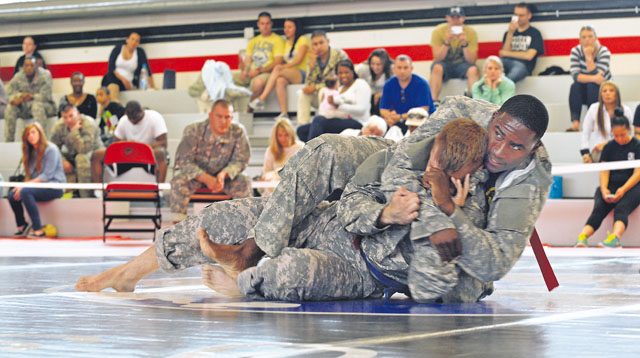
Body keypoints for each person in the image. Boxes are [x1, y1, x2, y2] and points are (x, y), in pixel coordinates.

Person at [76, 94, 552, 304]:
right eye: (498, 137)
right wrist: (423, 193)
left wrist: (446, 214)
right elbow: (398, 169)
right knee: (324, 151)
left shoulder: (528, 180)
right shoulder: (462, 115)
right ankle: (129, 274)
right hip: (387, 181)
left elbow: (491, 266)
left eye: (516, 147)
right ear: (490, 122)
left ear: (533, 149)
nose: (499, 152)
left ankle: (251, 269)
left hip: (380, 255)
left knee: (291, 273)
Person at [169, 99, 252, 223]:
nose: (223, 121)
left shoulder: (238, 131)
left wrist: (223, 175)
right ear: (210, 115)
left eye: (227, 117)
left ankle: (243, 226)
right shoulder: (194, 130)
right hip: (196, 177)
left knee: (244, 181)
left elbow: (241, 160)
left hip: (224, 179)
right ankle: (178, 228)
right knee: (178, 180)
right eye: (219, 116)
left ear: (232, 117)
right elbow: (183, 161)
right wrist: (206, 178)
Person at [575, 109, 640, 248]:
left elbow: (638, 173)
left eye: (622, 135)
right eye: (616, 136)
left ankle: (615, 238)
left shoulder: (637, 145)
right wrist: (604, 189)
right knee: (599, 208)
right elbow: (604, 171)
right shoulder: (609, 147)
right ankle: (582, 237)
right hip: (611, 186)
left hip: (632, 187)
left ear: (629, 130)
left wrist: (623, 189)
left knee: (621, 209)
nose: (620, 139)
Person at [8, 124, 64, 238]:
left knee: (25, 192)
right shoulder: (31, 152)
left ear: (40, 133)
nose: (31, 136)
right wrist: (23, 186)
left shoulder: (51, 149)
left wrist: (24, 186)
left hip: (54, 186)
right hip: (38, 187)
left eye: (33, 132)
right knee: (12, 194)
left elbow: (47, 176)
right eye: (28, 134)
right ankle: (22, 226)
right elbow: (31, 176)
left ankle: (38, 230)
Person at [90, 101, 168, 183]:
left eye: (135, 117)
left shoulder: (155, 117)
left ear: (141, 111)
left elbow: (163, 143)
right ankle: (98, 191)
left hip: (148, 152)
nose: (132, 120)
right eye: (129, 118)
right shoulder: (124, 120)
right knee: (96, 155)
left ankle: (159, 189)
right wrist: (128, 145)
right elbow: (115, 143)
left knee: (161, 153)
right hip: (128, 152)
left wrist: (140, 146)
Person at [297, 59, 371, 141]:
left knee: (319, 121)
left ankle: (312, 151)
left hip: (357, 121)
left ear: (352, 72)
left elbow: (362, 109)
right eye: (340, 73)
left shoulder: (361, 84)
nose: (343, 75)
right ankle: (320, 149)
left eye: (346, 72)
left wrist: (339, 106)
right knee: (301, 130)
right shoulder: (339, 88)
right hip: (337, 119)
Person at [249, 18, 309, 119]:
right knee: (280, 81)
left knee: (277, 69)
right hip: (290, 74)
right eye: (285, 27)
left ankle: (262, 98)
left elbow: (298, 60)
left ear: (296, 28)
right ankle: (284, 113)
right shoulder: (286, 43)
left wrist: (282, 67)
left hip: (302, 73)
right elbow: (285, 61)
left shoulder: (302, 39)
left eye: (290, 27)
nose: (286, 30)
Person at [49, 104, 104, 197]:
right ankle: (64, 194)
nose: (68, 120)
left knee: (81, 158)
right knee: (52, 159)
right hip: (73, 152)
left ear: (77, 114)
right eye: (65, 117)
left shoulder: (88, 123)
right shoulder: (59, 126)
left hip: (94, 153)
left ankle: (86, 196)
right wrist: (62, 160)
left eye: (71, 116)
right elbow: (52, 147)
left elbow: (84, 149)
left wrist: (74, 131)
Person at [296, 30, 349, 125]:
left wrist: (316, 87)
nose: (318, 47)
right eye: (315, 44)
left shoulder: (339, 55)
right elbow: (309, 84)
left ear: (328, 41)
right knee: (303, 94)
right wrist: (312, 65)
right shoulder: (312, 58)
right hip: (320, 98)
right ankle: (302, 126)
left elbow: (339, 81)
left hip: (338, 97)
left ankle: (322, 124)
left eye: (321, 43)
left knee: (324, 91)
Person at [234, 12, 285, 109]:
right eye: (262, 23)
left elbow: (278, 62)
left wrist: (259, 71)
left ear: (271, 24)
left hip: (267, 72)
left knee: (258, 83)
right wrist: (245, 71)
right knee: (227, 78)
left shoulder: (278, 40)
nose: (265, 26)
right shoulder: (253, 41)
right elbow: (248, 59)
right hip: (252, 72)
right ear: (258, 24)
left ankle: (249, 109)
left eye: (267, 23)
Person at [429, 6, 480, 103]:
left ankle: (474, 102)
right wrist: (447, 42)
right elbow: (437, 58)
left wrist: (464, 44)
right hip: (444, 65)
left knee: (473, 70)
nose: (455, 21)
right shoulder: (438, 31)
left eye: (458, 17)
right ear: (447, 18)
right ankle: (433, 101)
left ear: (463, 18)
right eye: (453, 18)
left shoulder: (470, 32)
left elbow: (472, 61)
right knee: (437, 67)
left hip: (462, 65)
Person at [566, 26, 611, 132]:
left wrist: (588, 57)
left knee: (592, 86)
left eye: (590, 36)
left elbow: (600, 78)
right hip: (584, 88)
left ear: (596, 38)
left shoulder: (604, 51)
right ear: (580, 40)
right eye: (584, 37)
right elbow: (576, 76)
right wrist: (594, 78)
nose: (587, 40)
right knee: (575, 86)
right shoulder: (575, 51)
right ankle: (576, 124)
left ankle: (593, 124)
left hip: (602, 89)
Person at [379, 55, 436, 134]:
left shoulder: (422, 83)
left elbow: (423, 111)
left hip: (422, 121)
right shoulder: (389, 84)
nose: (402, 71)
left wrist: (399, 117)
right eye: (399, 68)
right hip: (398, 121)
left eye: (405, 68)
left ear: (411, 68)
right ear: (394, 69)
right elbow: (383, 110)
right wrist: (390, 117)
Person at [4, 56, 56, 142]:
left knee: (37, 106)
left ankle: (42, 141)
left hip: (46, 106)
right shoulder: (18, 76)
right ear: (23, 67)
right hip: (25, 107)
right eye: (26, 65)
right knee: (10, 108)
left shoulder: (45, 75)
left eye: (32, 65)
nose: (29, 68)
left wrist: (32, 96)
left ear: (36, 66)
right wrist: (19, 97)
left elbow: (46, 96)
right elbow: (9, 95)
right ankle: (9, 141)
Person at [580, 81, 632, 163]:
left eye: (611, 90)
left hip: (620, 149)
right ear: (601, 95)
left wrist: (606, 145)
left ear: (616, 94)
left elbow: (628, 135)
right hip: (599, 151)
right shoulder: (594, 108)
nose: (608, 93)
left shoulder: (626, 110)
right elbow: (586, 132)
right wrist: (586, 154)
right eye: (604, 91)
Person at [101, 32, 155, 102]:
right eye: (132, 39)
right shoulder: (117, 49)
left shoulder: (140, 52)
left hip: (127, 84)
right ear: (127, 40)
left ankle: (114, 103)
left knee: (111, 82)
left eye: (137, 41)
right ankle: (115, 101)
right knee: (110, 76)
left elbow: (146, 70)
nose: (134, 42)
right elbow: (111, 67)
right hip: (114, 78)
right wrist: (123, 80)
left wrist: (153, 87)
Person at [499, 2, 544, 83]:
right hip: (506, 63)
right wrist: (510, 33)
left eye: (521, 15)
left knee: (517, 70)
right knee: (492, 65)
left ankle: (502, 86)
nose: (518, 18)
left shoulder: (534, 33)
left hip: (523, 66)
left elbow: (529, 56)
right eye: (516, 15)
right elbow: (503, 54)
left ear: (529, 16)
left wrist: (507, 53)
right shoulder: (508, 33)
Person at [261, 118, 304, 196]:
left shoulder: (300, 147)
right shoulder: (271, 150)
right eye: (280, 135)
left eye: (286, 135)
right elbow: (265, 174)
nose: (283, 139)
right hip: (274, 187)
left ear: (291, 134)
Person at [355, 48, 393, 116]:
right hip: (367, 97)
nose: (375, 67)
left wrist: (380, 94)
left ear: (385, 64)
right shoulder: (362, 69)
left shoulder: (392, 70)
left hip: (384, 100)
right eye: (373, 64)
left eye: (378, 64)